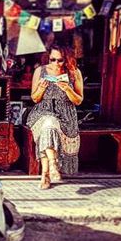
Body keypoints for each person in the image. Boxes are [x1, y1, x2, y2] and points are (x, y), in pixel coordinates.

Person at [28, 44, 84, 189]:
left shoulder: (74, 72)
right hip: (43, 110)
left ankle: (45, 175)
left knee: (49, 128)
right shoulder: (40, 71)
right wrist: (41, 88)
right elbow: (35, 99)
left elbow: (78, 100)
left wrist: (67, 89)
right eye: (53, 60)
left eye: (60, 60)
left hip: (66, 113)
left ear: (66, 59)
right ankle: (52, 165)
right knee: (49, 124)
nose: (56, 64)